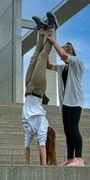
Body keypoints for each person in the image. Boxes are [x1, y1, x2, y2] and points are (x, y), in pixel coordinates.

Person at [22, 12, 59, 165]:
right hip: (37, 89)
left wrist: (27, 166)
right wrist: (43, 167)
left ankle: (41, 31)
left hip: (28, 88)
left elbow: (26, 148)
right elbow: (42, 147)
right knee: (42, 57)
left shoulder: (29, 132)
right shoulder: (43, 126)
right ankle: (52, 28)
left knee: (35, 55)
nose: (38, 138)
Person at [47, 35, 85, 167]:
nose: (62, 58)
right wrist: (45, 47)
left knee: (74, 128)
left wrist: (53, 41)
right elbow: (48, 65)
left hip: (75, 101)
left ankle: (79, 159)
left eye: (65, 51)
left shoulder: (77, 62)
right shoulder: (64, 68)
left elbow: (63, 56)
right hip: (66, 102)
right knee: (67, 130)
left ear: (71, 52)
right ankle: (70, 158)